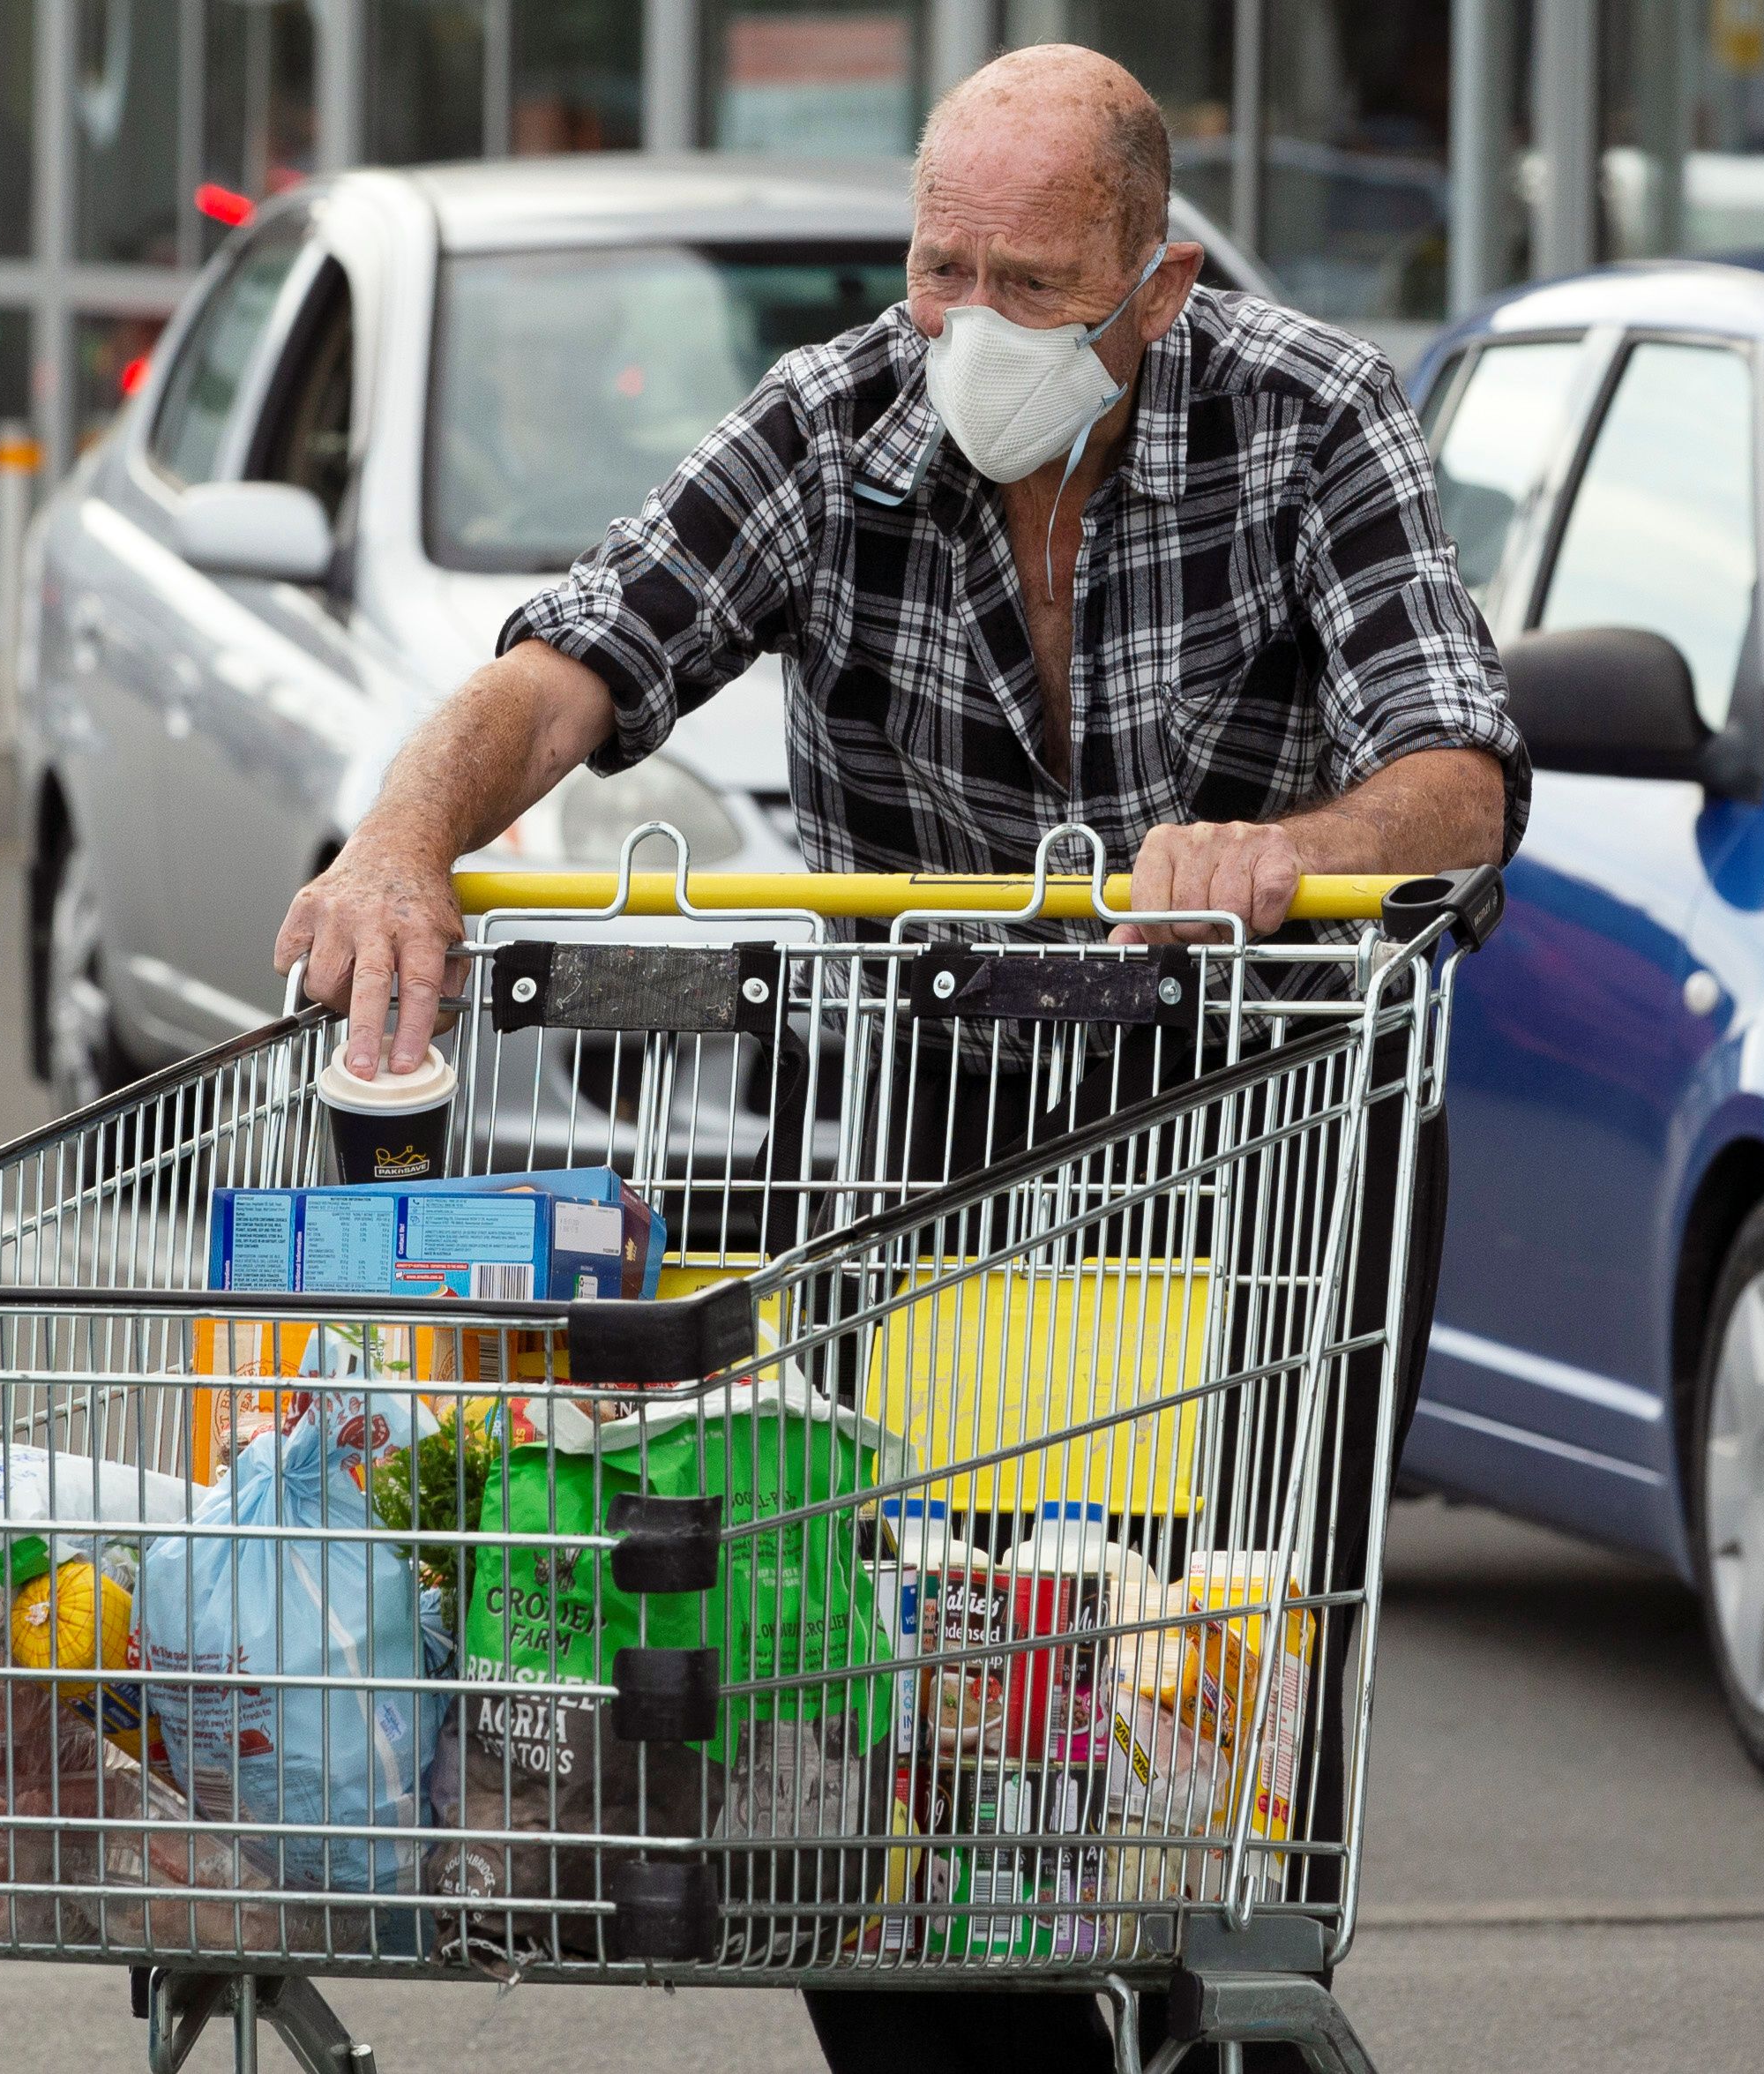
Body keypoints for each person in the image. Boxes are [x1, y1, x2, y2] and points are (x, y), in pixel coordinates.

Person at [276, 41, 1528, 2070]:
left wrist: (1288, 853)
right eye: (940, 264)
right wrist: (405, 840)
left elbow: (1461, 774)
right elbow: (574, 664)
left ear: (1160, 287)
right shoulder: (837, 416)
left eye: (1031, 286)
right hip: (941, 1140)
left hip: (1262, 1164)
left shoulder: (1314, 417)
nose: (968, 322)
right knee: (871, 1706)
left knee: (1171, 1730)